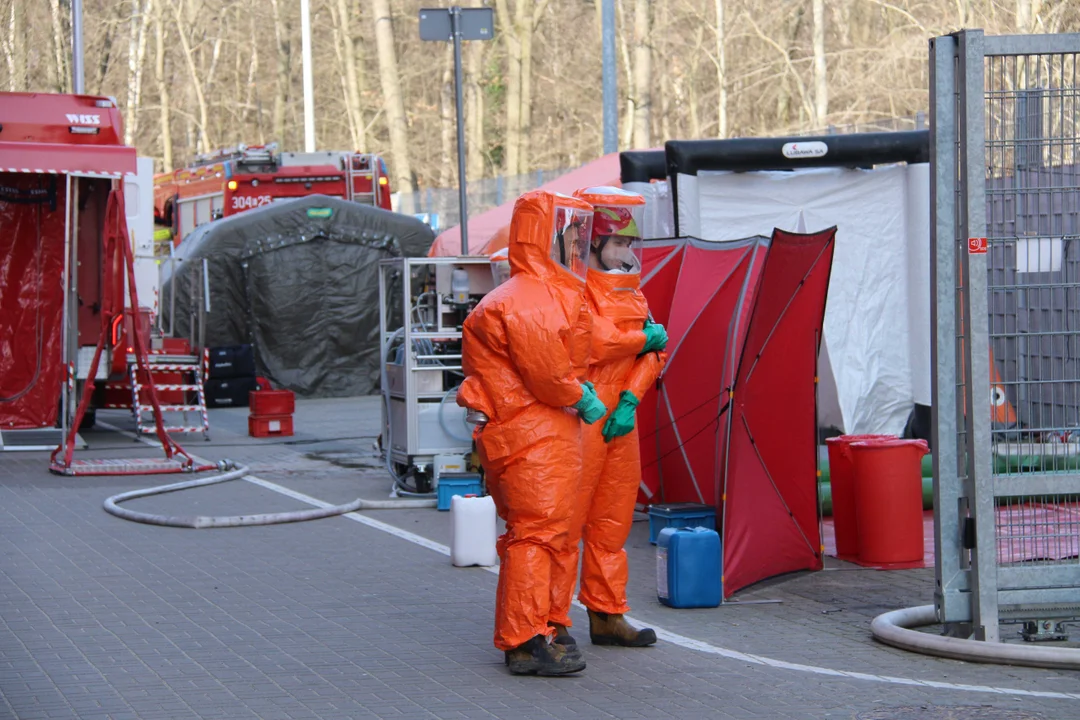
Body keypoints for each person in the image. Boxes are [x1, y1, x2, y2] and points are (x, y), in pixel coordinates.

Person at [456, 189, 606, 676]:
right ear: (546, 236)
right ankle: (523, 640)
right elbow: (549, 372)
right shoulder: (529, 299)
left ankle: (543, 625)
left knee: (547, 534)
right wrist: (578, 396)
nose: (578, 246)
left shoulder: (538, 294)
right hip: (531, 433)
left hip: (538, 432)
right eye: (570, 234)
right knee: (537, 534)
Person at [549, 186, 668, 648]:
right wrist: (643, 343)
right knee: (567, 521)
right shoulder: (573, 291)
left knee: (612, 521)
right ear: (593, 241)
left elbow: (656, 356)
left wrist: (632, 400)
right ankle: (553, 619)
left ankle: (606, 613)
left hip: (620, 418)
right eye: (619, 243)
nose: (626, 253)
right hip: (584, 415)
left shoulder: (634, 295)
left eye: (630, 244)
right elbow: (590, 345)